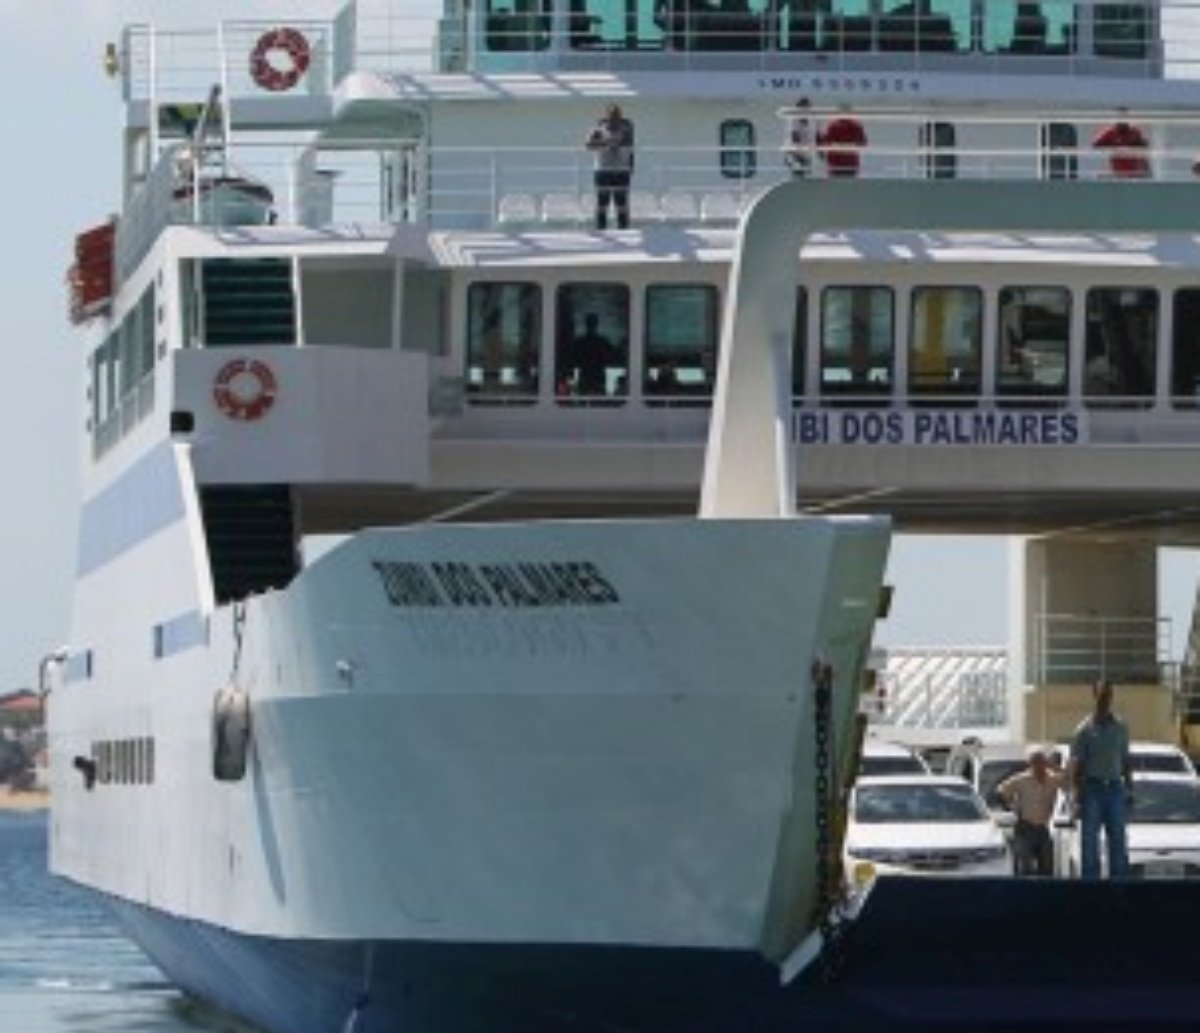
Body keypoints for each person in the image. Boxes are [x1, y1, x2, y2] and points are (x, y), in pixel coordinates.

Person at [1070, 678, 1133, 879]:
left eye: (1108, 694)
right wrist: (1078, 797)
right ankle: (1091, 888)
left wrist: (1130, 789)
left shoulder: (1121, 727)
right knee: (1090, 842)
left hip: (1115, 787)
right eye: (1102, 694)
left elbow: (1125, 759)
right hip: (1092, 788)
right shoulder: (1084, 730)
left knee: (1118, 840)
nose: (1105, 698)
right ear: (1094, 695)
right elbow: (1077, 766)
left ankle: (1119, 886)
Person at [996, 748, 1066, 876]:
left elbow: (1069, 784)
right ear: (1031, 765)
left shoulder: (1053, 779)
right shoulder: (1022, 780)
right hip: (1025, 827)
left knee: (1047, 866)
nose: (1039, 767)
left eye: (1042, 763)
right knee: (1025, 867)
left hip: (1042, 827)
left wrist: (1056, 768)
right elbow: (1001, 791)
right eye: (1036, 763)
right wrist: (1010, 808)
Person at [585, 103, 635, 230]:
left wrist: (631, 167)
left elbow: (628, 145)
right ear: (607, 116)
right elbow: (588, 145)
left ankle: (624, 230)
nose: (615, 118)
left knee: (621, 201)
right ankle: (601, 229)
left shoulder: (627, 127)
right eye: (612, 116)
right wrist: (607, 142)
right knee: (602, 201)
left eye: (617, 115)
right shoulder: (599, 127)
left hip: (621, 170)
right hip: (603, 170)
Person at [571, 313, 618, 396]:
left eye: (592, 323)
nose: (591, 325)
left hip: (593, 376)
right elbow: (612, 357)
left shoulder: (581, 342)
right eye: (591, 323)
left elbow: (611, 357)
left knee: (595, 398)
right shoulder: (601, 342)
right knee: (594, 398)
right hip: (590, 376)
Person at [817, 108, 868, 178]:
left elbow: (826, 142)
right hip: (851, 163)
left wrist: (819, 140)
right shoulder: (856, 126)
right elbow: (863, 143)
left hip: (835, 163)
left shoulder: (833, 126)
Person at [783, 97, 814, 178]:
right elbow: (795, 136)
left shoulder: (809, 120)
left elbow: (810, 137)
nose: (807, 110)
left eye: (808, 108)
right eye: (805, 108)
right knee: (798, 173)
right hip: (794, 153)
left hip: (804, 153)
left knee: (804, 174)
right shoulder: (793, 119)